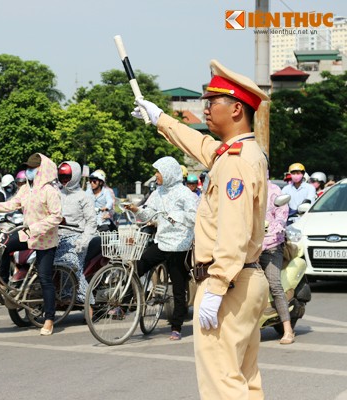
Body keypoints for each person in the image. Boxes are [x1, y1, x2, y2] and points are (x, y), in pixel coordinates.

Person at [133, 59, 269, 399]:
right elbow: (202, 146)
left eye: (213, 102)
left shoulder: (235, 161)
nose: (205, 109)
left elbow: (234, 231)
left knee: (222, 383)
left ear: (236, 108)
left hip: (229, 283)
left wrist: (218, 285)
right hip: (245, 279)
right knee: (244, 379)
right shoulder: (238, 153)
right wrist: (160, 118)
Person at [0, 153, 62, 336]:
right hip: (27, 234)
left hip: (45, 239)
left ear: (42, 171)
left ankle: (49, 319)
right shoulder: (26, 188)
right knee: (2, 245)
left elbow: (56, 216)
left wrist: (36, 227)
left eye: (33, 168)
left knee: (44, 278)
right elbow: (13, 204)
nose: (29, 171)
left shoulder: (50, 191)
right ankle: (1, 283)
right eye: (28, 168)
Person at [126, 157, 197, 340]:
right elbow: (148, 212)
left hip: (180, 244)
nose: (156, 175)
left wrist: (176, 216)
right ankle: (134, 298)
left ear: (168, 173)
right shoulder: (158, 192)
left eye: (159, 172)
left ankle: (177, 326)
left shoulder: (185, 194)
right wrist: (135, 209)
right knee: (138, 267)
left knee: (179, 287)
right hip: (162, 241)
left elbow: (194, 217)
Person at [55, 161, 96, 304]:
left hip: (76, 237)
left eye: (67, 177)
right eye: (62, 177)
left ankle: (89, 304)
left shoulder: (84, 197)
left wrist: (83, 241)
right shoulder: (57, 194)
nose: (64, 181)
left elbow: (91, 223)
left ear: (75, 176)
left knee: (71, 265)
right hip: (56, 236)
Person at [260, 178, 294, 344]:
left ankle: (288, 329)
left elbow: (282, 214)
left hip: (271, 244)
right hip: (248, 246)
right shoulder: (243, 190)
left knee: (274, 284)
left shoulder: (274, 191)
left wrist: (276, 227)